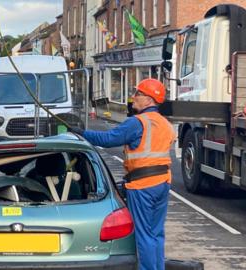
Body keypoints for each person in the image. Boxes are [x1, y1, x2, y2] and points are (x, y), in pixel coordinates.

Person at [69, 78, 175, 270]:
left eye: (138, 93)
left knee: (144, 236)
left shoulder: (138, 122)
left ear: (149, 99)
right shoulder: (165, 124)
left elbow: (109, 139)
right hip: (163, 182)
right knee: (156, 234)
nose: (133, 97)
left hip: (143, 185)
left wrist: (81, 133)